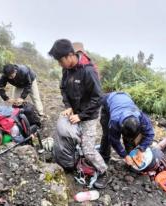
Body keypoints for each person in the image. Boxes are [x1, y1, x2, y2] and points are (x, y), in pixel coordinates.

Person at [48, 39, 111, 189]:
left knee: (89, 150)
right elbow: (63, 88)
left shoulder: (88, 71)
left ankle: (104, 171)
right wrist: (68, 106)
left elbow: (98, 98)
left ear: (70, 55)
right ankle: (77, 159)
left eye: (60, 60)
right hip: (75, 112)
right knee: (71, 136)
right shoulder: (67, 69)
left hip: (89, 116)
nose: (59, 64)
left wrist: (81, 116)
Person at [99, 91, 155, 168]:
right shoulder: (114, 121)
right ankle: (104, 157)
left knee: (133, 137)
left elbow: (150, 134)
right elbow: (114, 140)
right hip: (108, 101)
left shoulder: (140, 116)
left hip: (125, 98)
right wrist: (124, 156)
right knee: (107, 135)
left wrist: (141, 149)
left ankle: (131, 154)